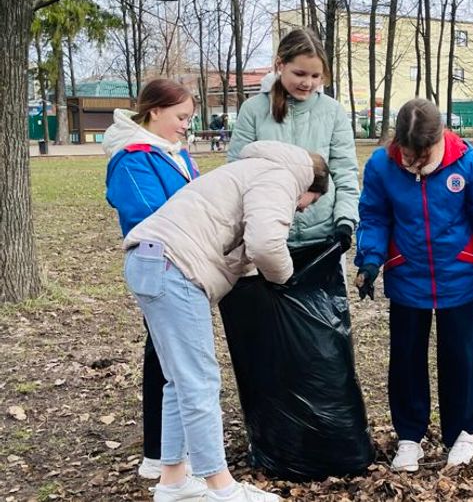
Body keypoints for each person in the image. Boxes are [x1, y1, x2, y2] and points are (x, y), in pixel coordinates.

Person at [122, 140, 329, 502]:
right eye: (304, 205)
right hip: (174, 267)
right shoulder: (283, 178)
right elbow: (265, 243)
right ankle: (220, 487)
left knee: (178, 381)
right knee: (200, 381)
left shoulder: (254, 170)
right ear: (309, 187)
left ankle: (173, 482)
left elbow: (241, 243)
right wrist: (286, 278)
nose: (298, 211)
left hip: (149, 261)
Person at [354, 98, 473, 471]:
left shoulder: (470, 162)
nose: (414, 164)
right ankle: (409, 437)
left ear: (439, 138)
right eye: (408, 155)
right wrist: (371, 259)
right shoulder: (382, 165)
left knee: (462, 356)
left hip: (458, 276)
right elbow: (375, 217)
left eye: (422, 156)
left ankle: (463, 434)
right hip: (407, 277)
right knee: (407, 357)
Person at [103, 78, 200, 480]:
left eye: (189, 119)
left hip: (182, 264)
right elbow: (152, 215)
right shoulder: (133, 158)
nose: (185, 126)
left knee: (167, 355)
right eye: (180, 117)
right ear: (154, 111)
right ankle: (159, 454)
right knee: (165, 358)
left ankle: (168, 452)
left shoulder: (173, 154)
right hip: (159, 265)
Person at [227, 27, 358, 286]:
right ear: (280, 65)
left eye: (315, 76)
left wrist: (345, 221)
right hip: (269, 240)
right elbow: (237, 171)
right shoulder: (253, 110)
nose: (307, 82)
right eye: (299, 73)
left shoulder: (333, 112)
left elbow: (344, 172)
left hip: (321, 240)